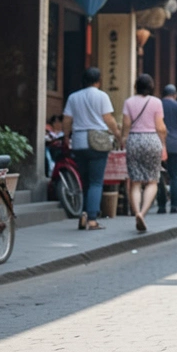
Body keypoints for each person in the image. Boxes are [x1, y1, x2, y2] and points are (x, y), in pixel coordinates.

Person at [62, 67, 119, 231]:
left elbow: (67, 119)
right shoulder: (102, 96)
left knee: (85, 181)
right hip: (98, 141)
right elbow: (108, 118)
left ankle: (84, 214)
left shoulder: (73, 97)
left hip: (79, 140)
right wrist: (117, 134)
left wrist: (66, 137)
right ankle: (92, 218)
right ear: (99, 80)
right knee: (96, 181)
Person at [120, 74, 166, 233]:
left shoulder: (128, 102)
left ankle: (136, 212)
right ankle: (143, 213)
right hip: (152, 139)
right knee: (152, 181)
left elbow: (126, 125)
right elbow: (160, 127)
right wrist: (163, 144)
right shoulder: (156, 102)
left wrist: (123, 140)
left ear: (136, 86)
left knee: (135, 182)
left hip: (134, 140)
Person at [156, 84, 177, 214]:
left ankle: (161, 205)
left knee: (159, 176)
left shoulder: (158, 105)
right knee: (176, 176)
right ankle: (175, 205)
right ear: (175, 95)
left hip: (159, 143)